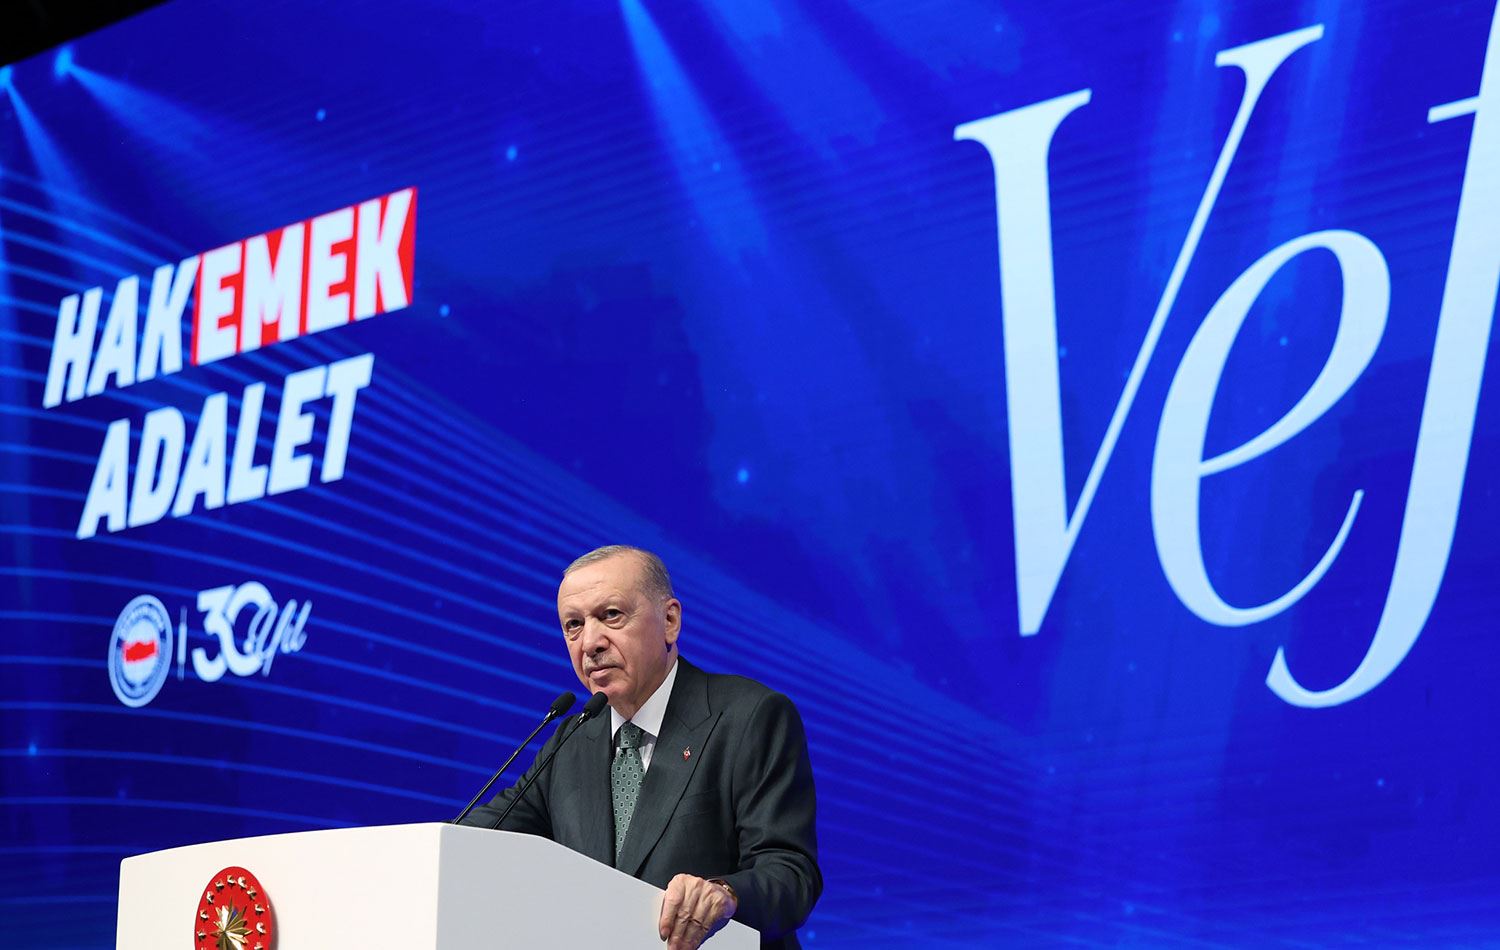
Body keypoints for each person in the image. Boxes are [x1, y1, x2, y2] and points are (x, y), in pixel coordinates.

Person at [461, 545, 821, 950]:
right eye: (574, 625)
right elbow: (483, 836)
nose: (590, 643)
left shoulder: (749, 717)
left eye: (611, 615)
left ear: (669, 621)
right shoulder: (573, 740)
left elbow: (791, 874)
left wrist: (725, 894)